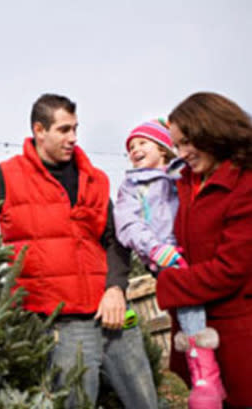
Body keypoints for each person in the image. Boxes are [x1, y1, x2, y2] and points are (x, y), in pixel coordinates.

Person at [0, 93, 158, 408]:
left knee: (147, 402)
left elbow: (115, 238)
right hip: (64, 324)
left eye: (75, 129)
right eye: (64, 130)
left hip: (115, 313)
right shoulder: (7, 178)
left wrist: (115, 289)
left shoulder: (95, 180)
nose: (73, 138)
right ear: (39, 130)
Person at [113, 119, 226, 408]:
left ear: (163, 148)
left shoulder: (181, 174)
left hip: (198, 246)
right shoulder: (131, 186)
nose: (135, 150)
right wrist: (155, 249)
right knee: (189, 301)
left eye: (142, 143)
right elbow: (128, 223)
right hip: (165, 254)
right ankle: (204, 374)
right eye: (130, 147)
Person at [155, 92, 252, 409]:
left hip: (237, 333)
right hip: (196, 328)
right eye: (177, 145)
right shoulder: (184, 184)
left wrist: (169, 284)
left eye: (187, 142)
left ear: (211, 131)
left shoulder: (244, 184)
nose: (182, 153)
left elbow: (230, 268)